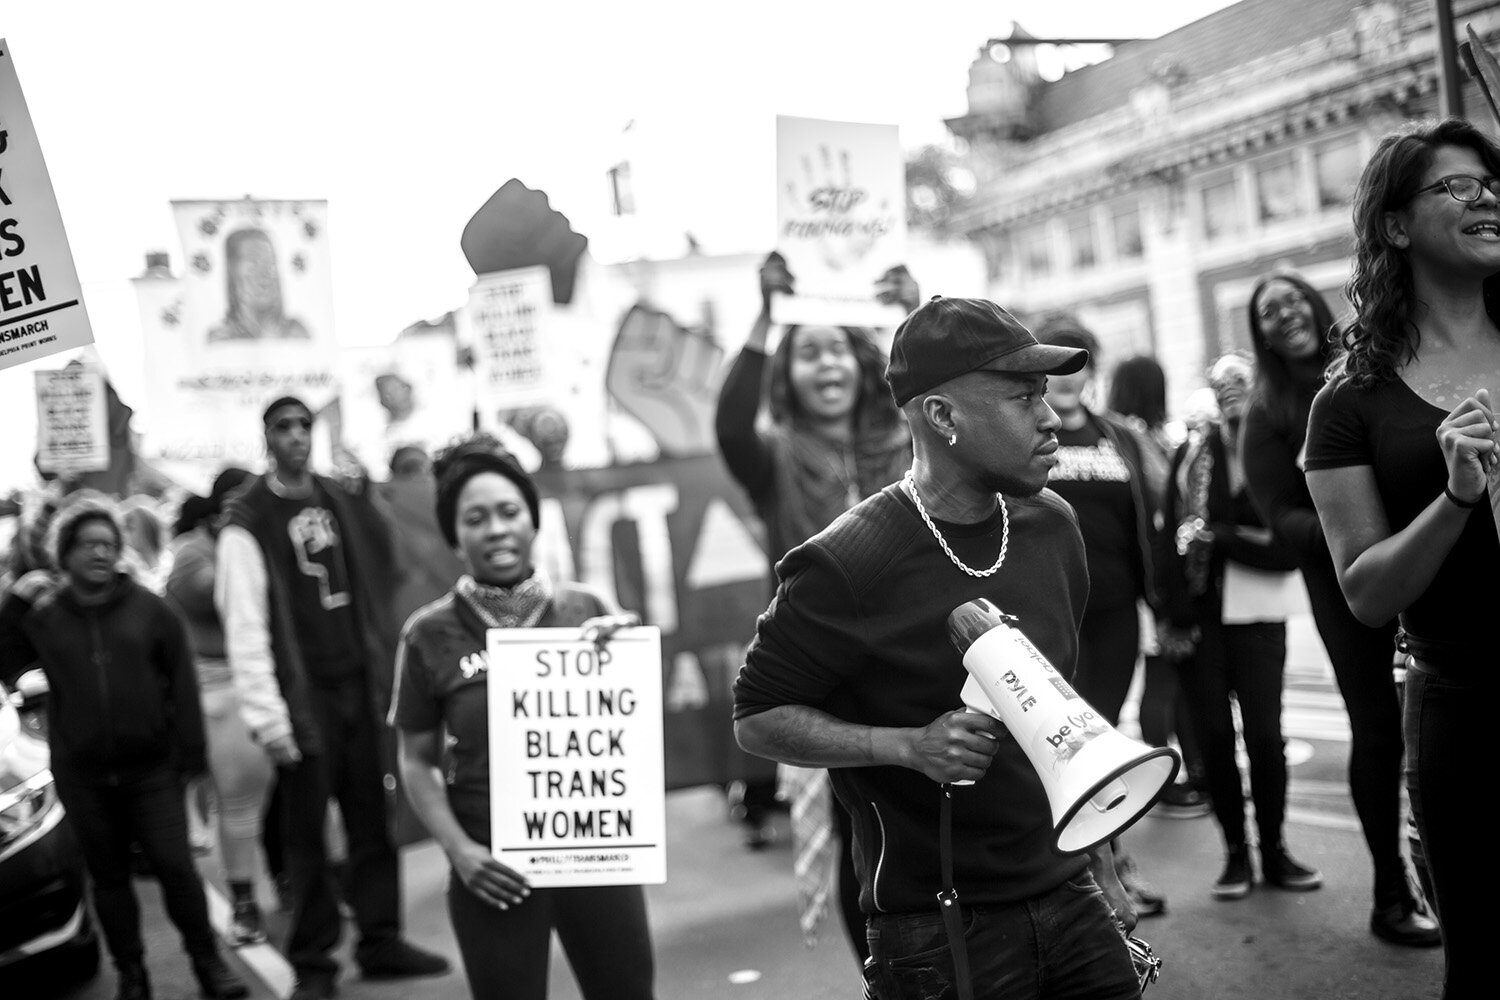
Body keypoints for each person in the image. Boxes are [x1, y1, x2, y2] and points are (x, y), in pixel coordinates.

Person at [735, 296, 1143, 999]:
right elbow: (755, 717)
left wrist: (1103, 869)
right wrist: (906, 746)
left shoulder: (1054, 525)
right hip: (936, 927)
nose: (1049, 418)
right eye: (1022, 398)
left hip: (1071, 893)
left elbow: (1062, 728)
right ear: (943, 417)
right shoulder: (846, 563)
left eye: (1044, 394)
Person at [1304, 118, 1500, 997]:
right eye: (1455, 187)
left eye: (1491, 182)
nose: (1486, 195)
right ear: (1393, 226)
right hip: (1469, 705)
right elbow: (1367, 594)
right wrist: (1455, 496)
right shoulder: (1352, 403)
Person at [391, 438, 657, 1000]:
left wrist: (623, 658)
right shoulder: (428, 632)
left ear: (533, 522)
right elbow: (415, 761)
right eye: (475, 518)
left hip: (595, 855)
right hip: (492, 867)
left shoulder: (587, 610)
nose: (496, 529)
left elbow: (628, 739)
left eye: (510, 512)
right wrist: (461, 853)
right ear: (454, 536)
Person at [215, 396, 449, 1000]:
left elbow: (385, 561)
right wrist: (269, 716)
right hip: (303, 694)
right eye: (283, 427)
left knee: (374, 819)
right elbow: (244, 622)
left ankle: (380, 939)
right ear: (267, 437)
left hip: (358, 684)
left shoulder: (336, 496)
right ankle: (314, 964)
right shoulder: (250, 517)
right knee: (308, 835)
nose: (296, 436)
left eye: (303, 426)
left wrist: (366, 490)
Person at [714, 251, 912, 957]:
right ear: (787, 376)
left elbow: (942, 389)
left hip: (922, 664)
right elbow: (731, 426)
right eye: (808, 354)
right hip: (829, 682)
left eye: (839, 351)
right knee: (865, 844)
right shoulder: (772, 456)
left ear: (862, 366)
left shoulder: (908, 439)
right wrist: (768, 317)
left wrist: (908, 315)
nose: (828, 365)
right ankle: (887, 977)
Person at [1241, 270, 1441, 948]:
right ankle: (1391, 893)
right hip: (1347, 589)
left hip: (1427, 559)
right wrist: (1351, 518)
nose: (1286, 314)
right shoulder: (1265, 411)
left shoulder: (1368, 369)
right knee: (1379, 730)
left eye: (1294, 299)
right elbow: (1281, 519)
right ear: (1258, 332)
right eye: (1269, 311)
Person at [0, 495, 247, 1000]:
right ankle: (133, 974)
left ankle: (208, 963)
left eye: (108, 544)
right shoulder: (45, 616)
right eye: (87, 544)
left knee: (177, 869)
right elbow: (7, 657)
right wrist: (18, 600)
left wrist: (193, 758)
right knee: (109, 882)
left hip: (151, 771)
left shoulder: (150, 610)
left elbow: (182, 684)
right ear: (64, 553)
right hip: (83, 775)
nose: (99, 553)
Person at [1159, 352, 1323, 901]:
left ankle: (1274, 851)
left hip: (1259, 617)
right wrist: (1173, 614)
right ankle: (1235, 855)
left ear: (1259, 388)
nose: (1227, 389)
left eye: (1238, 380)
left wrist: (1218, 537)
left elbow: (1288, 544)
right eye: (1217, 381)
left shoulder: (1276, 453)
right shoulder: (1190, 454)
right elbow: (1168, 541)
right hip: (1201, 621)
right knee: (1213, 739)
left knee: (1265, 739)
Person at [1032, 318, 1168, 919]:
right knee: (1061, 752)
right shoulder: (1026, 435)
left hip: (1114, 617)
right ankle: (1085, 877)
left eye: (1077, 361)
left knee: (1104, 742)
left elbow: (1155, 516)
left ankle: (1112, 863)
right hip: (1048, 620)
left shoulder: (1120, 437)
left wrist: (1164, 604)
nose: (1067, 376)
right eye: (1052, 364)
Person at [165, 466, 278, 947]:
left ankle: (310, 884)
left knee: (307, 801)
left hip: (274, 677)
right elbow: (216, 594)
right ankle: (245, 903)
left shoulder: (260, 538)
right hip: (221, 688)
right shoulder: (194, 550)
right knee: (240, 806)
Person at [1106, 355, 1210, 817]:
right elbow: (1162, 496)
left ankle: (1177, 772)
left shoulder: (1114, 432)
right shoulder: (1139, 436)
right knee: (1164, 678)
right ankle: (1166, 777)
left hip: (1136, 572)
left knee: (1164, 677)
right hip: (1154, 573)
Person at [208, 228, 310, 343]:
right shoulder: (220, 340)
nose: (264, 274)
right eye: (253, 262)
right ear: (232, 271)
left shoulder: (297, 334)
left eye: (270, 262)